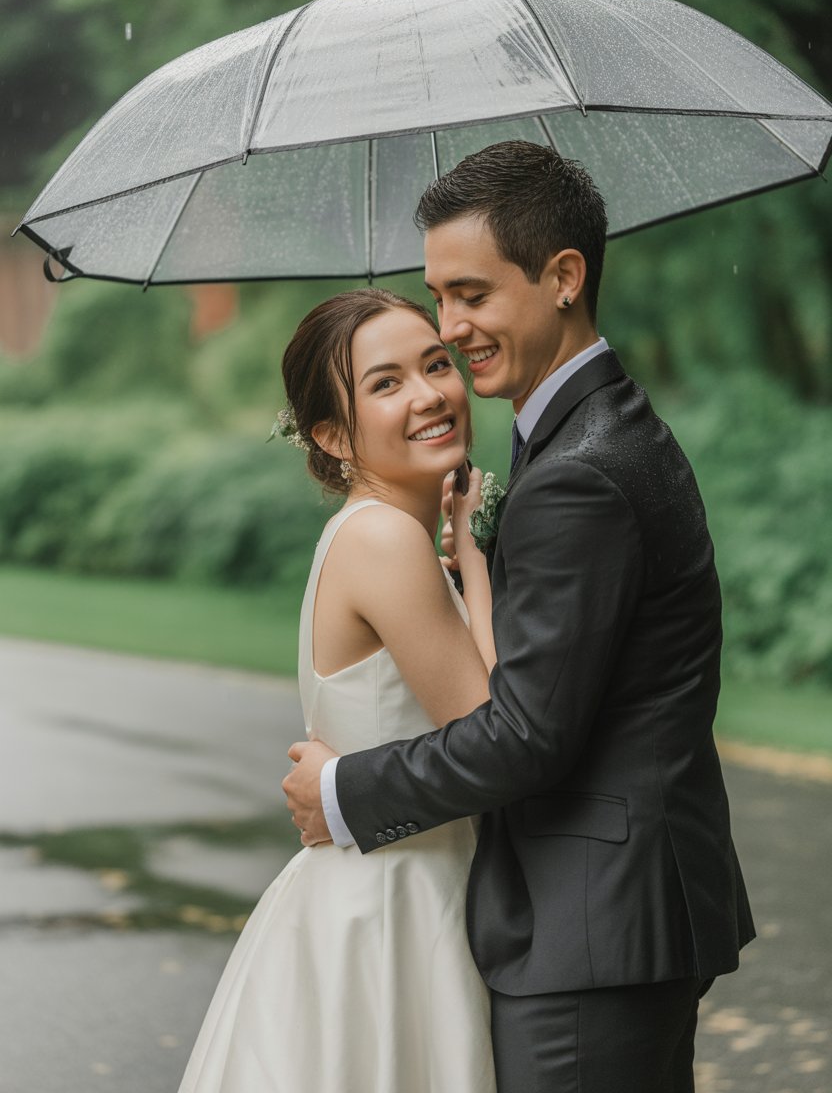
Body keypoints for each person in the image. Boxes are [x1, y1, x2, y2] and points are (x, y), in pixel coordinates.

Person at [283, 141, 756, 1093]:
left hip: (592, 925)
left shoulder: (577, 469)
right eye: (439, 297)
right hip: (609, 916)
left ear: (564, 277)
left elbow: (524, 736)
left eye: (470, 295)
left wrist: (343, 793)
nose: (452, 327)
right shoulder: (596, 433)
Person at [176, 288, 498, 1093]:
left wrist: (458, 552)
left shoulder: (377, 535)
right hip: (396, 907)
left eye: (436, 364)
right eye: (385, 384)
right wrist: (480, 557)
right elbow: (496, 730)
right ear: (332, 434)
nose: (429, 394)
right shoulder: (386, 538)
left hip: (384, 883)